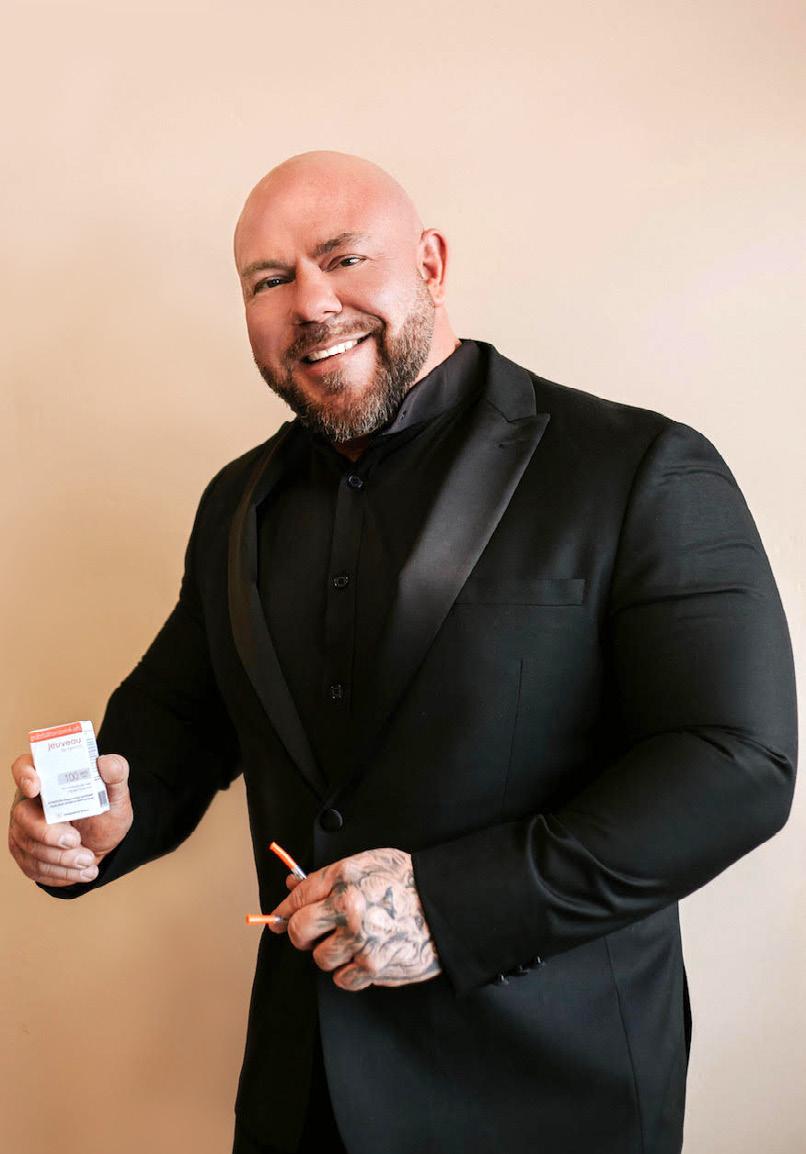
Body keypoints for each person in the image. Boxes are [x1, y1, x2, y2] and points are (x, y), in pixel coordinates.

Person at [9, 150, 798, 1154]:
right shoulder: (234, 502)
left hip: (550, 1098)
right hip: (299, 1102)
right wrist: (96, 826)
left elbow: (735, 763)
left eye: (343, 258)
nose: (310, 303)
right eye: (269, 280)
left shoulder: (639, 466)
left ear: (429, 261)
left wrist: (451, 907)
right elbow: (175, 726)